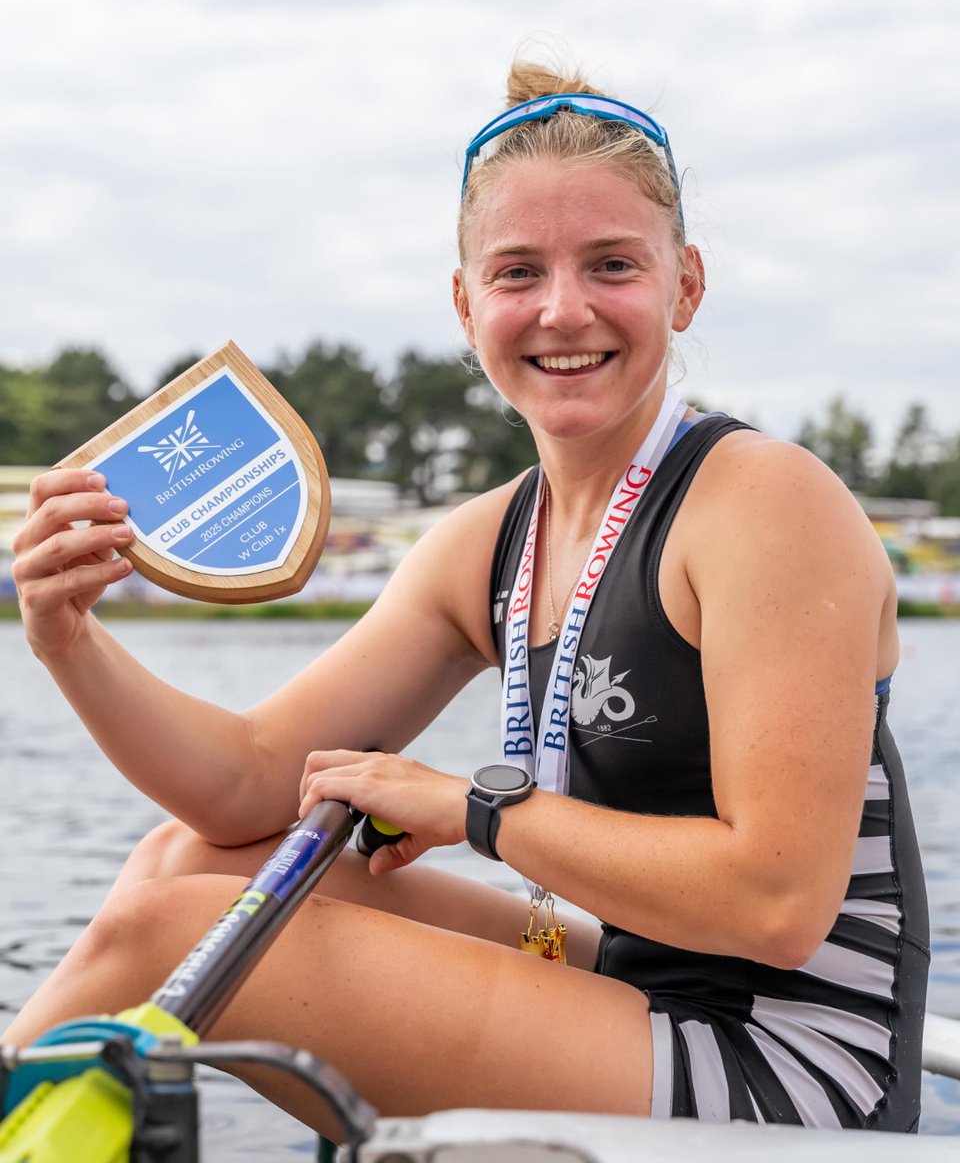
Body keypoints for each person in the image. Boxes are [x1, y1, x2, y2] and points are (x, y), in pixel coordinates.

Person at [8, 58, 929, 1135]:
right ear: (464, 303)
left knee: (174, 935)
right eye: (517, 272)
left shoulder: (764, 501)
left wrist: (477, 809)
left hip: (792, 1065)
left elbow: (776, 904)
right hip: (644, 985)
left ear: (685, 286)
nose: (564, 309)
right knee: (190, 862)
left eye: (613, 264)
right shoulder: (493, 536)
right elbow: (248, 784)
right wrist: (67, 637)